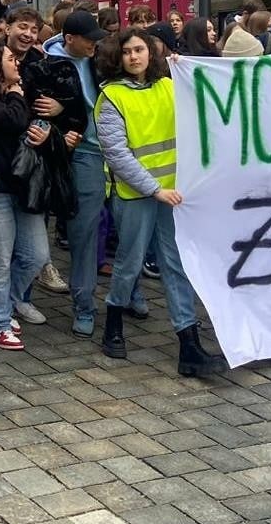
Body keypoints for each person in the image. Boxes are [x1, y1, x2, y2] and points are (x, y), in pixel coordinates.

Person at [95, 29, 229, 374]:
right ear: (118, 57)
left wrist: (189, 71)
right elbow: (118, 154)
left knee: (176, 264)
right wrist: (154, 188)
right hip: (138, 195)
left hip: (173, 195)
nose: (134, 57)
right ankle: (113, 320)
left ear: (151, 53)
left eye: (140, 50)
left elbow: (205, 105)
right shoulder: (111, 97)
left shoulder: (170, 86)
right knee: (130, 262)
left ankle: (189, 344)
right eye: (127, 52)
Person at [0, 41, 50, 350]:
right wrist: (17, 95)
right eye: (9, 58)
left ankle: (9, 300)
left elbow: (31, 123)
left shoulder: (21, 91)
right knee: (0, 259)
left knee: (36, 254)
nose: (16, 63)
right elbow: (13, 120)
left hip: (24, 186)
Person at [39, 11, 104, 336]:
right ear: (69, 39)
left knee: (131, 233)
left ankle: (130, 292)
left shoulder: (102, 56)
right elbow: (38, 110)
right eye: (89, 38)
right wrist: (66, 118)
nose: (95, 43)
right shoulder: (47, 64)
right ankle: (84, 305)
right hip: (82, 155)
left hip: (119, 152)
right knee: (84, 234)